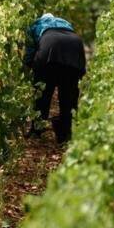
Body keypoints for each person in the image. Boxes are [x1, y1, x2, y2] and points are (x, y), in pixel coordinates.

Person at [24, 12, 87, 143]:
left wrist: (31, 67)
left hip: (50, 46)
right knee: (68, 95)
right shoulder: (65, 23)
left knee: (42, 93)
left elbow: (30, 52)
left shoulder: (36, 24)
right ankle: (65, 134)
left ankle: (37, 131)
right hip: (75, 47)